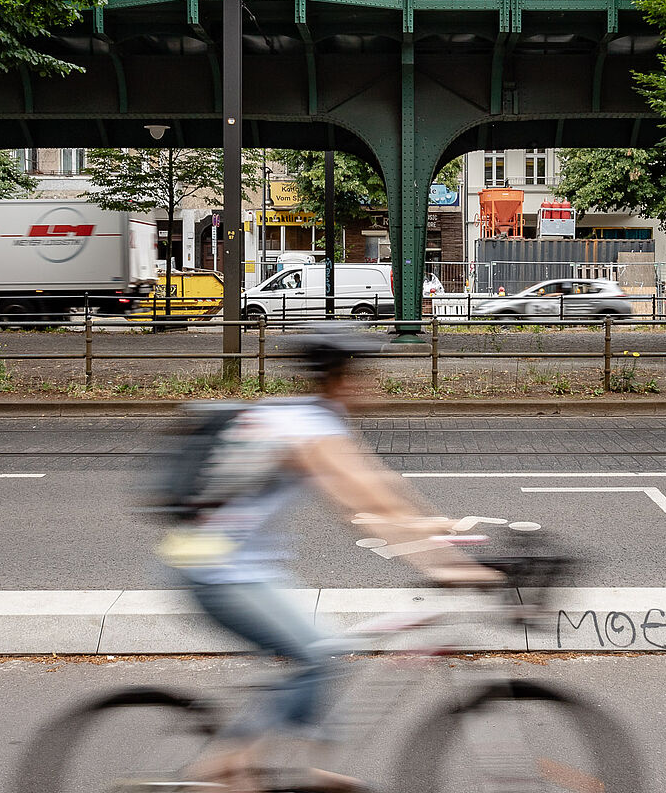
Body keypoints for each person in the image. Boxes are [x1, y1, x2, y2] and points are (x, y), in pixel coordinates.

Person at [158, 329, 499, 793]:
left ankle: (303, 768)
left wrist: (433, 537)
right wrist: (449, 564)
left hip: (237, 566)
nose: (374, 386)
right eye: (366, 376)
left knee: (315, 653)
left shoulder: (311, 418)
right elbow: (368, 503)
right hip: (216, 571)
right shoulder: (310, 429)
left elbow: (372, 500)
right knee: (318, 655)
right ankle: (226, 765)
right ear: (342, 380)